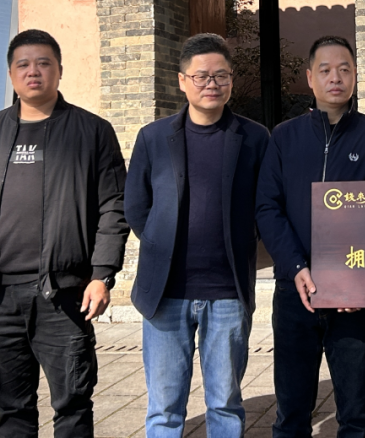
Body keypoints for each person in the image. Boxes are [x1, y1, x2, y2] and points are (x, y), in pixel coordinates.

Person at [0, 29, 129, 438]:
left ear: (59, 71)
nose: (34, 72)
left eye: (44, 63)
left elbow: (114, 208)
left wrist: (102, 274)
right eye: (23, 64)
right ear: (11, 74)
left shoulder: (92, 132)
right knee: (11, 409)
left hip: (63, 295)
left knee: (73, 406)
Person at [125, 34, 271, 438]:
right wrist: (161, 244)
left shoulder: (255, 137)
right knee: (164, 407)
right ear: (182, 80)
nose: (212, 84)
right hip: (165, 291)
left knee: (225, 403)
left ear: (231, 79)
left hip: (227, 290)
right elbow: (136, 205)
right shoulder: (153, 137)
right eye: (201, 76)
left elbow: (267, 203)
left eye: (221, 75)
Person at [255, 35, 365, 438]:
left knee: (357, 417)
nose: (335, 77)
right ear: (309, 78)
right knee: (291, 415)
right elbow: (267, 207)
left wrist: (360, 280)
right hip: (294, 291)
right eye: (325, 70)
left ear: (355, 75)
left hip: (355, 297)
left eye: (344, 69)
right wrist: (295, 265)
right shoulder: (284, 137)